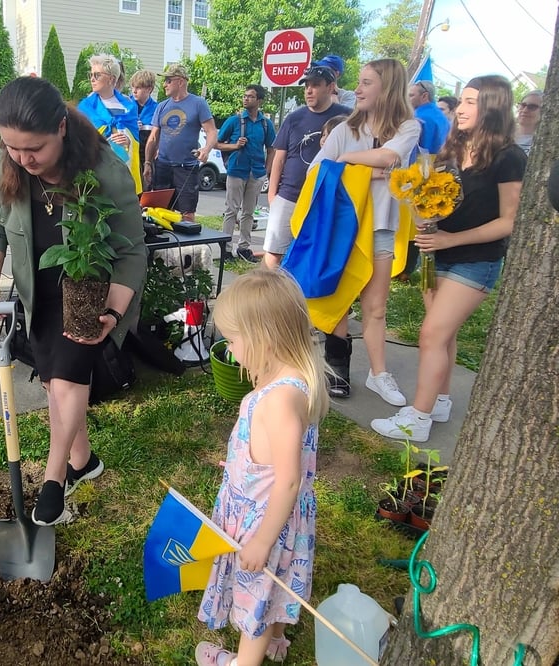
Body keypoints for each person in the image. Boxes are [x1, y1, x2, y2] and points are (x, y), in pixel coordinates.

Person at [0, 76, 146, 526]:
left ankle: (56, 479)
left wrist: (112, 309)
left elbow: (130, 250)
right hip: (36, 289)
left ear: (62, 129)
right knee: (54, 377)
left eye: (34, 149)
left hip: (89, 287)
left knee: (68, 374)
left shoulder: (105, 171)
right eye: (12, 147)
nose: (23, 159)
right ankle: (83, 460)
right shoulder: (5, 162)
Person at [372, 75, 526, 442]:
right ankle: (439, 400)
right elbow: (438, 198)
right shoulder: (451, 150)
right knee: (444, 334)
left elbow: (509, 220)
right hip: (436, 253)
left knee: (432, 334)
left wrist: (451, 237)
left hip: (476, 260)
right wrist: (427, 215)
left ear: (493, 106)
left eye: (471, 102)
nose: (461, 109)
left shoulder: (509, 156)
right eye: (461, 101)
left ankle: (418, 418)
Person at [194, 269, 326, 666]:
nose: (231, 351)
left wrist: (263, 541)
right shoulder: (297, 381)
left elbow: (287, 480)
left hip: (264, 522)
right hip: (271, 511)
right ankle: (277, 636)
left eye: (233, 341)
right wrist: (241, 465)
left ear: (263, 338)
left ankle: (242, 661)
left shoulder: (277, 401)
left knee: (255, 597)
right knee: (276, 585)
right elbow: (275, 463)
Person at [309, 58, 420, 403]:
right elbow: (316, 172)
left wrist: (346, 162)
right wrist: (360, 170)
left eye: (366, 82)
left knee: (376, 307)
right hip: (342, 229)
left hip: (381, 230)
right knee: (339, 301)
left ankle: (379, 374)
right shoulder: (344, 130)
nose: (356, 89)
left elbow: (390, 158)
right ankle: (337, 368)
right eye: (358, 82)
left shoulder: (409, 128)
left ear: (387, 88)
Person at [262, 65, 351, 269]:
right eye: (306, 86)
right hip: (289, 195)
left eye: (316, 85)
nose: (309, 91)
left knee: (317, 255)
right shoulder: (294, 118)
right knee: (274, 252)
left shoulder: (347, 117)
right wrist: (272, 196)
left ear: (330, 87)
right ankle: (270, 297)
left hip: (325, 198)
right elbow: (279, 157)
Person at [143, 63, 218, 222]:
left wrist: (206, 149)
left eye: (168, 80)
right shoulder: (162, 106)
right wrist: (148, 163)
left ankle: (187, 246)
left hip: (186, 168)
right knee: (159, 211)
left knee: (187, 214)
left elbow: (212, 131)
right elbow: (153, 137)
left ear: (181, 81)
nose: (164, 84)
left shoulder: (198, 103)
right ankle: (162, 246)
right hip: (162, 166)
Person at [216, 84, 276, 262]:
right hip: (236, 170)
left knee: (249, 212)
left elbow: (272, 148)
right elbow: (217, 143)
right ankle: (225, 248)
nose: (246, 99)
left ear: (259, 100)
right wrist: (234, 146)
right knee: (231, 210)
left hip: (256, 172)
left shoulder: (266, 124)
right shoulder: (234, 121)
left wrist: (267, 170)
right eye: (245, 96)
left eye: (250, 96)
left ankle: (244, 248)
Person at [402, 79, 451, 279]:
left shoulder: (419, 118)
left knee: (412, 221)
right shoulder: (442, 117)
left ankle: (405, 269)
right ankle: (421, 269)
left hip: (420, 168)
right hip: (439, 168)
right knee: (425, 221)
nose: (409, 98)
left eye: (412, 95)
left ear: (424, 96)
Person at [78, 54, 142, 193]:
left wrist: (128, 140)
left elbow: (135, 138)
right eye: (91, 74)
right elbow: (78, 139)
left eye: (97, 75)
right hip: (95, 170)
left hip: (121, 168)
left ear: (111, 79)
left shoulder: (128, 106)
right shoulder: (86, 107)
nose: (92, 79)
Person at [129, 69, 158, 182]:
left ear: (149, 89)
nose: (134, 91)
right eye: (133, 87)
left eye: (138, 88)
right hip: (129, 155)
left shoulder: (157, 109)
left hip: (146, 157)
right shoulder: (126, 105)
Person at [514, 89, 542, 156]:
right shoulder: (503, 133)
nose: (524, 110)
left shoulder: (542, 142)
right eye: (523, 105)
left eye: (532, 107)